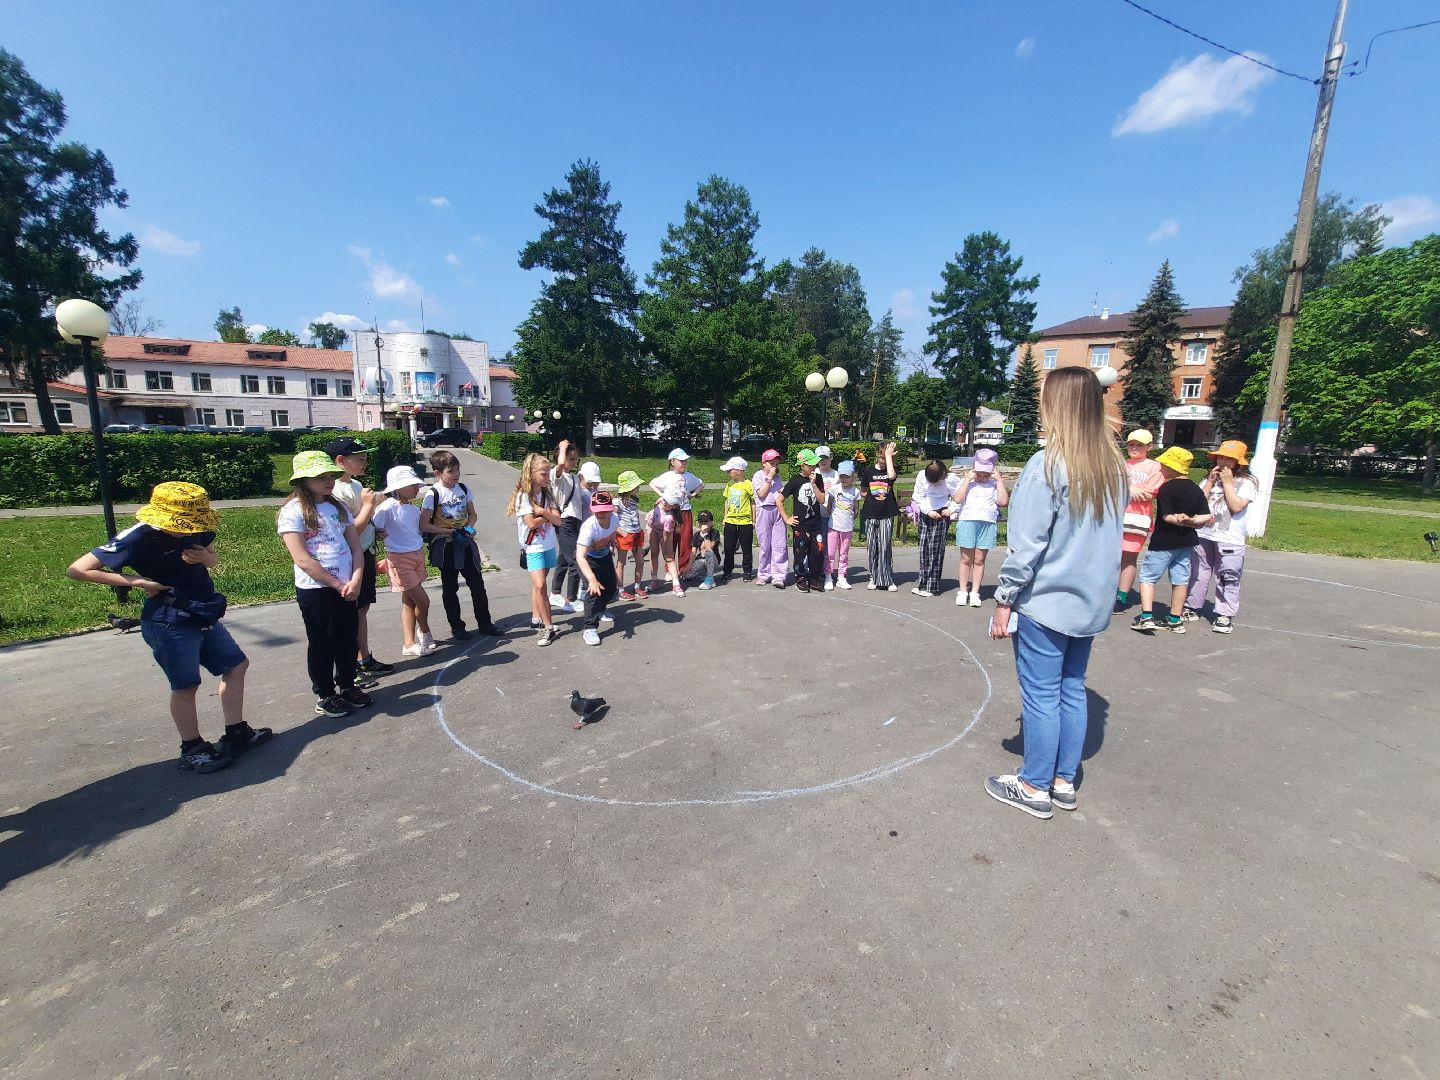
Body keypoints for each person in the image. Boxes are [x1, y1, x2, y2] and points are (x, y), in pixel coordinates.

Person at [984, 367, 1128, 819]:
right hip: (1088, 602)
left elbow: (1027, 544)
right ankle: (1064, 779)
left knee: (1042, 695)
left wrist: (1004, 600)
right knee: (1071, 690)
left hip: (1047, 602)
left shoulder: (1048, 464)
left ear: (1056, 406)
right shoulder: (1113, 466)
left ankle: (1034, 785)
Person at [66, 482, 267, 774]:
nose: (187, 531)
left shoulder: (198, 526)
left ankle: (237, 732)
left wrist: (205, 558)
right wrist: (137, 582)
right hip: (168, 619)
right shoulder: (136, 537)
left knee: (236, 665)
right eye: (179, 526)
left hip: (202, 610)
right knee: (186, 685)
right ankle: (193, 748)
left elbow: (213, 558)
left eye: (191, 526)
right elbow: (78, 570)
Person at [277, 450, 372, 719]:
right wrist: (335, 583)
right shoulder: (293, 511)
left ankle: (347, 684)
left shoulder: (338, 508)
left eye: (330, 475)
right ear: (303, 480)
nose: (328, 481)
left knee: (346, 636)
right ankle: (325, 693)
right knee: (322, 640)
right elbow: (302, 558)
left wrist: (355, 579)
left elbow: (355, 547)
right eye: (320, 477)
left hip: (347, 585)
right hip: (317, 589)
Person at [328, 437, 393, 683]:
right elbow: (350, 529)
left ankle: (363, 658)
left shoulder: (355, 484)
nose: (365, 461)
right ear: (340, 461)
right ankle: (350, 666)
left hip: (364, 552)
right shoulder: (335, 491)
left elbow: (363, 523)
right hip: (348, 558)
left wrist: (374, 528)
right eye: (359, 458)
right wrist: (368, 507)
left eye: (366, 457)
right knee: (351, 613)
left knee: (361, 609)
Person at [420, 449, 501, 641]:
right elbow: (424, 524)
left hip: (465, 544)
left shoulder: (464, 489)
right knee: (450, 588)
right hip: (446, 546)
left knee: (477, 585)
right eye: (451, 471)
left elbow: (472, 514)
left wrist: (469, 528)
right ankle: (457, 627)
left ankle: (485, 623)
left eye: (457, 469)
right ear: (438, 473)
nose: (456, 474)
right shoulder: (433, 494)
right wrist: (449, 531)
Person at [1131, 446, 1213, 635]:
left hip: (1163, 541)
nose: (1160, 466)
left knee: (1148, 578)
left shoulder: (1166, 488)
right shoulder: (1195, 488)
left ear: (1171, 466)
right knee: (1180, 580)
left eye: (1163, 463)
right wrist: (1191, 521)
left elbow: (1167, 517)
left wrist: (1179, 519)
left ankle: (1147, 616)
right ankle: (1175, 619)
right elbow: (1206, 516)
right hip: (1186, 543)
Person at [1183, 440, 1257, 634]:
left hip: (1229, 538)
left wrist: (1227, 483)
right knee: (1198, 572)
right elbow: (1196, 502)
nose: (1224, 461)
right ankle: (1192, 606)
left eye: (1229, 459)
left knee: (1227, 575)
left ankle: (1225, 614)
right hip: (1204, 533)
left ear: (1238, 462)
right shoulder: (1209, 477)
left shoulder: (1247, 482)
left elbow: (1236, 506)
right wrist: (1209, 482)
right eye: (1221, 456)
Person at [371, 465, 436, 658]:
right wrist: (379, 534)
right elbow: (375, 530)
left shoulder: (413, 509)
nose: (415, 488)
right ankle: (424, 631)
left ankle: (408, 643)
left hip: (417, 555)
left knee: (409, 601)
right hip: (399, 559)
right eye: (410, 484)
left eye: (416, 484)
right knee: (423, 600)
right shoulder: (386, 508)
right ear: (396, 487)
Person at [507, 452, 562, 647]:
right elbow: (530, 523)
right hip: (533, 547)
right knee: (540, 586)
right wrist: (547, 516)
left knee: (540, 584)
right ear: (531, 474)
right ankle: (548, 627)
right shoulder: (525, 496)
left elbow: (559, 520)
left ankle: (536, 617)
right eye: (543, 474)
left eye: (548, 473)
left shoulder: (547, 494)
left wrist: (543, 512)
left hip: (548, 545)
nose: (547, 477)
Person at [950, 448, 1009, 607]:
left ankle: (975, 592)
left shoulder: (994, 485)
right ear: (974, 469)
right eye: (979, 473)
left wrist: (1000, 481)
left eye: (986, 474)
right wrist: (967, 480)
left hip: (987, 523)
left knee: (979, 559)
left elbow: (1003, 502)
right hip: (968, 521)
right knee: (966, 559)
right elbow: (957, 499)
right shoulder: (969, 483)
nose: (982, 477)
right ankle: (962, 591)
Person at [1115, 430, 1164, 615]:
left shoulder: (1154, 467)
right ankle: (1108, 591)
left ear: (1149, 447)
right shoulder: (1121, 464)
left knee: (1128, 558)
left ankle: (1122, 595)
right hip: (1117, 516)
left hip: (1138, 519)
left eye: (1140, 445)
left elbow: (1149, 493)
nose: (1134, 448)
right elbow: (1112, 487)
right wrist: (1131, 490)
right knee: (1112, 557)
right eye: (1131, 444)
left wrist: (1128, 489)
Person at [649, 448, 703, 584]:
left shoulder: (689, 476)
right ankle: (670, 569)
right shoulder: (667, 476)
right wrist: (662, 496)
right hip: (670, 512)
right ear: (672, 462)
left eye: (685, 461)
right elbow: (652, 483)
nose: (684, 463)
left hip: (685, 511)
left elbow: (701, 484)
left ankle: (684, 569)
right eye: (681, 461)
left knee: (685, 540)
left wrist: (693, 494)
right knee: (670, 540)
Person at [575, 490, 620, 646]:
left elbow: (612, 531)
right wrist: (592, 579)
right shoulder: (589, 527)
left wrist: (613, 542)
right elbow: (580, 556)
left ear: (610, 509)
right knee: (593, 591)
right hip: (587, 559)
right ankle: (590, 628)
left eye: (604, 511)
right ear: (591, 510)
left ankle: (601, 610)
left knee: (610, 587)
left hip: (604, 555)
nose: (600, 514)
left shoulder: (614, 518)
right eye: (597, 511)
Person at [781, 449, 827, 593]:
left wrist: (814, 484)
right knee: (800, 553)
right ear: (802, 465)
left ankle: (814, 578)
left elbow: (822, 499)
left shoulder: (818, 479)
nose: (814, 468)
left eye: (815, 465)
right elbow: (779, 500)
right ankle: (800, 579)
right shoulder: (795, 481)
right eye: (810, 465)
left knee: (817, 552)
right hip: (800, 526)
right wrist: (786, 518)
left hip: (816, 524)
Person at [910, 459, 958, 597]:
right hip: (927, 513)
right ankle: (922, 582)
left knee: (935, 551)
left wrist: (952, 509)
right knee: (924, 549)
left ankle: (932, 586)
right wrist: (928, 510)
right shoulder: (921, 476)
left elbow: (960, 496)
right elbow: (918, 496)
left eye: (936, 482)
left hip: (942, 514)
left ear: (943, 475)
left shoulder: (951, 479)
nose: (933, 484)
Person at [859, 440, 900, 592]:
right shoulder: (869, 471)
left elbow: (891, 476)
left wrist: (889, 457)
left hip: (886, 513)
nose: (884, 460)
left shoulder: (891, 469)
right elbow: (863, 490)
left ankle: (887, 577)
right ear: (877, 455)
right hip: (870, 513)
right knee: (872, 546)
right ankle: (873, 576)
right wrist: (873, 496)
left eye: (887, 458)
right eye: (882, 457)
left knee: (884, 546)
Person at [548, 440, 583, 613]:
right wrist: (562, 447)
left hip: (576, 522)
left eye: (576, 458)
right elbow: (560, 464)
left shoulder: (574, 478)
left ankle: (555, 592)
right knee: (576, 560)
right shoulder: (556, 475)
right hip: (565, 521)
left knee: (563, 557)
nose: (574, 462)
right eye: (571, 459)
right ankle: (571, 599)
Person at [752, 449, 789, 588]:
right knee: (765, 544)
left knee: (779, 544)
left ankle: (779, 575)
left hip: (777, 510)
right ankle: (763, 574)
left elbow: (778, 494)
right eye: (772, 463)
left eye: (777, 464)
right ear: (764, 463)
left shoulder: (778, 478)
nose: (775, 466)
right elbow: (761, 494)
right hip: (764, 510)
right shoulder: (758, 476)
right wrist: (769, 478)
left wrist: (782, 491)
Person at [825, 459, 861, 590]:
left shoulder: (855, 492)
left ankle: (841, 576)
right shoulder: (834, 489)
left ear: (853, 477)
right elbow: (829, 507)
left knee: (844, 552)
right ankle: (828, 575)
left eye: (847, 476)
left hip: (847, 528)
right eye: (842, 476)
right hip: (833, 526)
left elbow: (856, 509)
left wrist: (850, 519)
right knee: (830, 552)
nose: (844, 479)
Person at [614, 470, 649, 600]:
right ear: (629, 488)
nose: (638, 488)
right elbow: (612, 519)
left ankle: (637, 586)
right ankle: (620, 589)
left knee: (640, 561)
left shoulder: (634, 500)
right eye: (636, 486)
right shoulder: (617, 502)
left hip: (636, 532)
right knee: (621, 562)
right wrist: (618, 532)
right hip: (624, 534)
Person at [720, 455, 754, 581]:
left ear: (738, 471)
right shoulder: (729, 485)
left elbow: (753, 503)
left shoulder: (749, 485)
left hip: (745, 521)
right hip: (730, 520)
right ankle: (727, 571)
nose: (728, 473)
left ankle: (747, 572)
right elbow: (727, 501)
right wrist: (725, 517)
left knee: (746, 548)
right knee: (729, 548)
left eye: (730, 470)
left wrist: (753, 519)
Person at [684, 509, 721, 590]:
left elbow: (709, 547)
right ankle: (704, 574)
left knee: (708, 552)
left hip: (713, 561)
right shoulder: (696, 535)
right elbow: (693, 551)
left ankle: (710, 579)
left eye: (706, 522)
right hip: (701, 560)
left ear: (711, 523)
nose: (703, 524)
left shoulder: (714, 532)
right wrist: (689, 565)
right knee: (686, 576)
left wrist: (705, 534)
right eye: (701, 522)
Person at [814, 446, 839, 532]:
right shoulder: (814, 473)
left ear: (831, 458)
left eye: (826, 458)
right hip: (817, 514)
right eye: (820, 458)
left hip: (833, 514)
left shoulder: (837, 475)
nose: (823, 461)